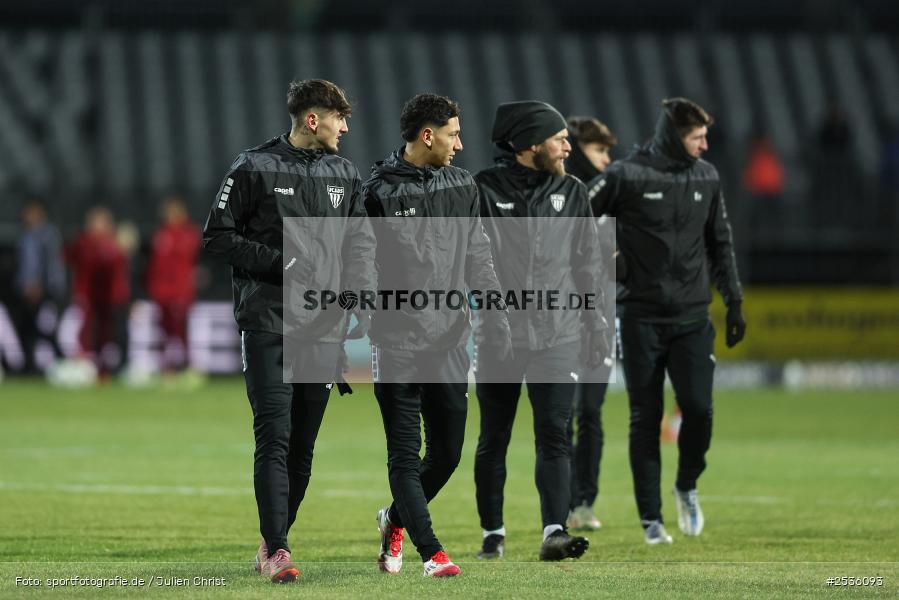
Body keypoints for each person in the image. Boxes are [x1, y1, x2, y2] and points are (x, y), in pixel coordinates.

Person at [202, 79, 376, 583]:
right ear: (313, 119)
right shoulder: (253, 166)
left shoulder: (345, 172)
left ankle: (271, 541)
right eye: (339, 118)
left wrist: (359, 298)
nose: (345, 127)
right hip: (269, 321)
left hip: (323, 325)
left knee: (302, 445)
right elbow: (217, 235)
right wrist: (284, 263)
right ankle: (278, 548)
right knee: (274, 436)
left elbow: (360, 242)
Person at [363, 93, 511, 577]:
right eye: (453, 134)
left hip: (450, 337)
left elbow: (478, 252)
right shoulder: (378, 192)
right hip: (397, 339)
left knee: (446, 453)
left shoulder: (462, 185)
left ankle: (393, 519)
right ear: (428, 136)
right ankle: (432, 553)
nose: (460, 144)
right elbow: (360, 261)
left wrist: (496, 312)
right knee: (405, 456)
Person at [588, 97, 745, 545]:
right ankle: (651, 519)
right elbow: (577, 215)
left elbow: (721, 241)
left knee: (699, 408)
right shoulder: (626, 174)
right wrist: (607, 261)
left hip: (693, 316)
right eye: (697, 137)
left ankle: (687, 485)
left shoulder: (706, 175)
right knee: (645, 416)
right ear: (676, 136)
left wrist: (734, 300)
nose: (705, 144)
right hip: (640, 316)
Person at [473, 101, 609, 561]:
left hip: (559, 335)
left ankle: (554, 530)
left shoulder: (573, 192)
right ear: (531, 144)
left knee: (554, 434)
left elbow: (588, 265)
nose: (568, 146)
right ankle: (493, 533)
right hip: (500, 338)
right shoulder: (483, 189)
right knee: (495, 437)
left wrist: (596, 324)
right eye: (559, 138)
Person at [563, 116, 618, 531]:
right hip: (561, 321)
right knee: (562, 415)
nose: (607, 160)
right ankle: (563, 502)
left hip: (601, 318)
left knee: (591, 413)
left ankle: (585, 502)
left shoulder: (611, 201)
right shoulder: (559, 197)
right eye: (600, 151)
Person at [66, 206, 130, 377]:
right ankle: (87, 364)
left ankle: (112, 367)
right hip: (88, 295)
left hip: (112, 297)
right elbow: (70, 260)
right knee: (88, 331)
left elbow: (121, 270)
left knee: (111, 333)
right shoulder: (83, 243)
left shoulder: (115, 245)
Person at [146, 195, 202, 375]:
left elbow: (187, 257)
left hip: (180, 291)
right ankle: (166, 367)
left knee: (181, 330)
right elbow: (155, 265)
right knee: (163, 330)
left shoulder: (189, 233)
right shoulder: (160, 234)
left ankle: (187, 365)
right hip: (161, 291)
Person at [13, 198, 67, 374]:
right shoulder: (25, 235)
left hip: (46, 290)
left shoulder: (49, 234)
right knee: (28, 329)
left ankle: (61, 362)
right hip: (27, 290)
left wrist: (39, 286)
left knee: (45, 328)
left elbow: (50, 264)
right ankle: (30, 366)